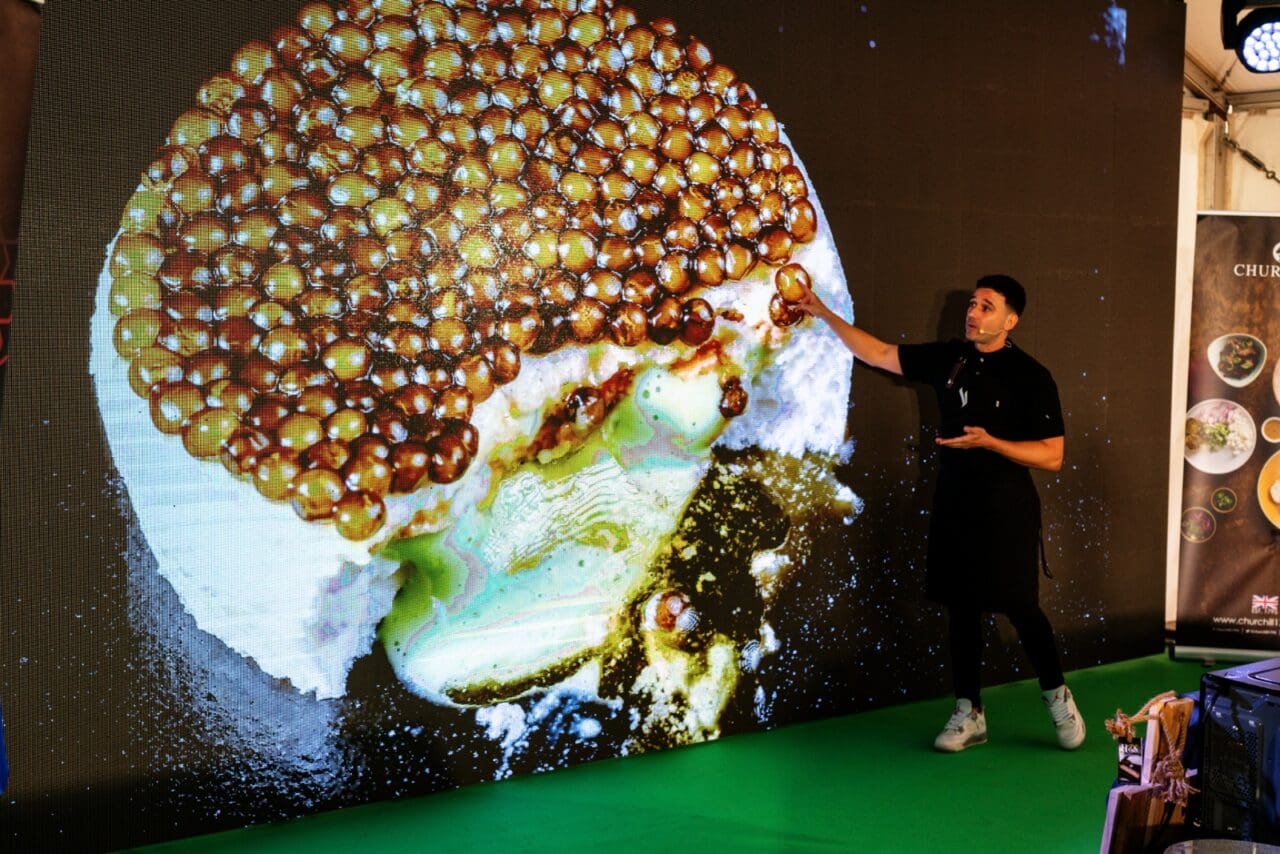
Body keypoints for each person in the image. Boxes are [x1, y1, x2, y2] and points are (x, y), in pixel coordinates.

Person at [796, 274, 1084, 753]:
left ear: (1011, 320)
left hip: (1008, 508)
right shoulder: (950, 357)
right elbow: (878, 353)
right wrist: (824, 313)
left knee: (1022, 607)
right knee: (962, 609)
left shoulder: (1032, 376)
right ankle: (969, 712)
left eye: (987, 307)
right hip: (954, 502)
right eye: (972, 304)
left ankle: (1057, 695)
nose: (973, 313)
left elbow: (1052, 455)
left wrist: (991, 442)